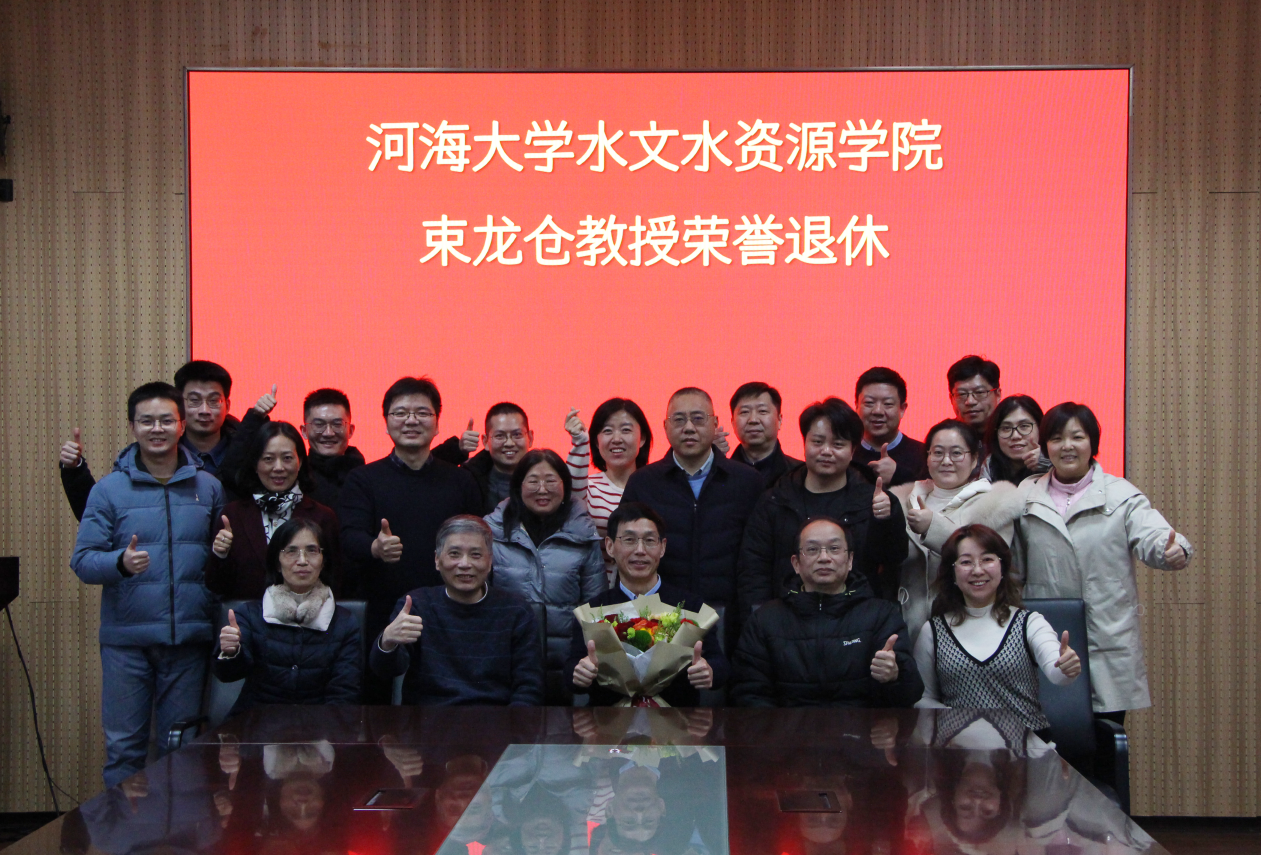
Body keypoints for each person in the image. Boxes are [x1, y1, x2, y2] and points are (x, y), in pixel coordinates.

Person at [70, 382, 225, 787]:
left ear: (181, 425)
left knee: (183, 748)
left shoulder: (208, 487)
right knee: (125, 749)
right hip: (127, 644)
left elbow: (220, 562)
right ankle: (126, 830)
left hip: (188, 640)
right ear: (132, 426)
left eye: (166, 420)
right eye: (147, 421)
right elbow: (82, 561)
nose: (157, 429)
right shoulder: (108, 490)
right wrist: (119, 563)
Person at [1014, 402, 1192, 723]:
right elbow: (1009, 560)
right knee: (1046, 743)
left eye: (1077, 437)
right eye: (1056, 438)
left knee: (1105, 741)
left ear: (1092, 443)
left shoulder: (1121, 494)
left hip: (1106, 640)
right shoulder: (1026, 494)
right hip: (1045, 638)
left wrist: (1173, 549)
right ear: (1045, 446)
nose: (1067, 446)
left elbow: (1154, 535)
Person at [337, 376, 483, 703]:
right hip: (381, 609)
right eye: (401, 413)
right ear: (386, 422)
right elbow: (347, 537)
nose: (411, 420)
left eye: (422, 413)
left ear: (437, 423)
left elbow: (480, 544)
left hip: (449, 612)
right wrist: (375, 547)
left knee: (444, 703)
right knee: (379, 707)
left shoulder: (461, 480)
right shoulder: (363, 479)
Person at [730, 517, 922, 707]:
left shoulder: (881, 616)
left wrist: (894, 676)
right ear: (796, 563)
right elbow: (749, 694)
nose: (824, 558)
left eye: (834, 548)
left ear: (850, 560)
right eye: (812, 549)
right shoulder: (765, 620)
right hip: (787, 726)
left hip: (861, 725)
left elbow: (911, 694)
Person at [737, 397, 908, 611]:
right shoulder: (775, 499)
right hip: (787, 618)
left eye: (838, 444)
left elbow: (894, 561)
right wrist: (761, 619)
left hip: (857, 618)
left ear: (853, 450)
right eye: (817, 442)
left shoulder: (873, 500)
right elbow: (753, 569)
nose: (826, 451)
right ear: (804, 443)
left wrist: (889, 518)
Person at [620, 387, 763, 630]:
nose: (688, 427)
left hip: (730, 618)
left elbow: (758, 558)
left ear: (715, 424)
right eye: (679, 419)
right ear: (665, 426)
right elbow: (626, 552)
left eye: (698, 418)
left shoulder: (747, 482)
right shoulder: (643, 483)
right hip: (658, 618)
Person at [913, 525, 1080, 731]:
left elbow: (1057, 671)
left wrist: (1066, 667)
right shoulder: (933, 631)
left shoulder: (1029, 623)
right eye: (966, 562)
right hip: (960, 746)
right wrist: (963, 722)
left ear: (1002, 568)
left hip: (1027, 744)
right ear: (952, 573)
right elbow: (923, 699)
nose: (977, 570)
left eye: (987, 559)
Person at [370, 515, 545, 706]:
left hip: (495, 720)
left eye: (475, 555)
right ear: (437, 560)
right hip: (428, 720)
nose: (464, 564)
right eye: (454, 554)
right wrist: (387, 642)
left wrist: (510, 724)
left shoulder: (516, 611)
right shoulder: (416, 605)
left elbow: (529, 689)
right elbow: (385, 671)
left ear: (490, 561)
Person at [566, 502, 728, 706]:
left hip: (678, 719)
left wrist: (709, 671)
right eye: (629, 540)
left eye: (650, 540)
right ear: (610, 546)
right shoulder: (593, 611)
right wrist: (579, 673)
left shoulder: (690, 606)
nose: (640, 550)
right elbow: (571, 669)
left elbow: (719, 664)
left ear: (662, 547)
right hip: (608, 720)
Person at [485, 448, 605, 703]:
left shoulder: (584, 535)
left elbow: (596, 607)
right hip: (506, 662)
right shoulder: (492, 534)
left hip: (569, 667)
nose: (542, 489)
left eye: (550, 481)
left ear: (565, 485)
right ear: (517, 486)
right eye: (533, 481)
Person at [889, 419, 1021, 646]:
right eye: (938, 453)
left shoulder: (997, 502)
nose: (946, 461)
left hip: (968, 625)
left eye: (957, 453)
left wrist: (932, 527)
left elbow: (986, 560)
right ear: (927, 458)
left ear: (974, 459)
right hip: (908, 625)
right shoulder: (901, 501)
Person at [60, 359, 244, 520]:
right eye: (194, 400)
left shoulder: (248, 456)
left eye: (214, 401)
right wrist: (75, 471)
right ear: (179, 405)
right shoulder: (147, 457)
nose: (205, 410)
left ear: (227, 405)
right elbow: (96, 516)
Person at [213, 518, 361, 712]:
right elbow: (227, 675)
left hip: (319, 726)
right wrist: (231, 652)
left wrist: (320, 729)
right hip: (256, 724)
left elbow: (344, 694)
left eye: (312, 551)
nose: (302, 561)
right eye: (291, 551)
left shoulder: (345, 622)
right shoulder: (249, 615)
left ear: (323, 561)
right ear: (277, 562)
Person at [204, 421, 341, 599]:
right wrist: (220, 554)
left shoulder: (323, 517)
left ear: (300, 462)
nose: (278, 468)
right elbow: (216, 586)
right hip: (249, 615)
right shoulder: (232, 515)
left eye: (287, 458)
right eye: (268, 459)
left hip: (308, 615)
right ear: (255, 464)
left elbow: (335, 581)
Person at [566, 397, 653, 585]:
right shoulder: (588, 487)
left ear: (642, 438)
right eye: (607, 431)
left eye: (626, 430)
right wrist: (580, 442)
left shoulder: (656, 487)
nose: (616, 439)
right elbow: (568, 496)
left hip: (649, 593)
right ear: (596, 441)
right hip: (597, 592)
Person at [851, 366, 927, 487]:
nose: (878, 411)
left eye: (887, 404)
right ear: (856, 406)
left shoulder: (924, 455)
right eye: (869, 403)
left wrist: (898, 475)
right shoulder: (844, 454)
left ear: (902, 409)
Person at [727, 381, 803, 489]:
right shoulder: (720, 475)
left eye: (762, 411)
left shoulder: (800, 474)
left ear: (779, 420)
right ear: (733, 423)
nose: (753, 419)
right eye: (744, 412)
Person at [982, 394, 1052, 485]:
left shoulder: (1057, 459)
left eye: (1024, 426)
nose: (1015, 436)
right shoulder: (989, 466)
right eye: (1006, 428)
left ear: (1041, 427)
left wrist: (1048, 462)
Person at [947, 355, 1001, 432]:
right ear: (951, 399)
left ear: (997, 395)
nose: (970, 401)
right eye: (962, 394)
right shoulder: (943, 437)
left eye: (979, 392)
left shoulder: (1012, 435)